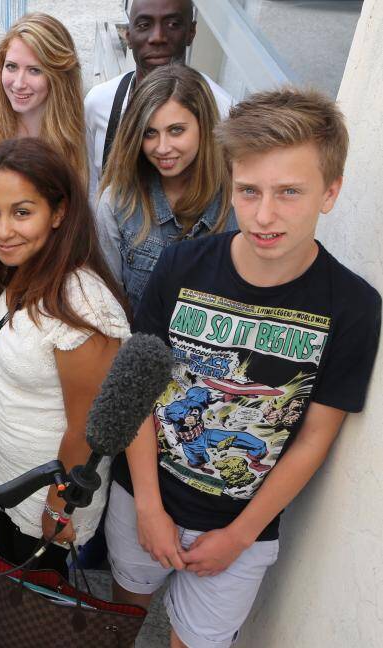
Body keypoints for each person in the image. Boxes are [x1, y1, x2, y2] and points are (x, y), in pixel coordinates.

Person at [106, 88, 381, 648]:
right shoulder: (181, 263)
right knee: (123, 611)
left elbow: (313, 438)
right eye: (248, 190)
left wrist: (239, 535)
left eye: (289, 193)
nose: (264, 215)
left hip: (242, 527)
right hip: (143, 496)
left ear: (330, 193)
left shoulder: (353, 307)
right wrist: (149, 507)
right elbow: (138, 390)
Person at [0, 138, 131, 635]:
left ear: (58, 213)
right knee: (8, 550)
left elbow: (89, 428)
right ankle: (4, 604)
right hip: (4, 464)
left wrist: (59, 505)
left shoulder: (82, 310)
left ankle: (19, 624)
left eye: (21, 212)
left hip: (50, 490)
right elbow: (0, 359)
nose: (2, 230)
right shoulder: (15, 272)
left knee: (41, 582)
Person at [96, 64, 236, 315]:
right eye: (150, 133)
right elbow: (110, 310)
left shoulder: (238, 201)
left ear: (204, 127)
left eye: (176, 130)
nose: (162, 148)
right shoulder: (117, 203)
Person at [84, 0, 234, 202]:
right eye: (144, 25)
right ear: (128, 35)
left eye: (172, 24)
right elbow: (93, 189)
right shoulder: (99, 103)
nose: (157, 37)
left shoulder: (224, 110)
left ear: (191, 32)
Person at [0, 12, 89, 187]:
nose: (18, 84)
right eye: (11, 66)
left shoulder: (84, 138)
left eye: (34, 70)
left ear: (60, 76)